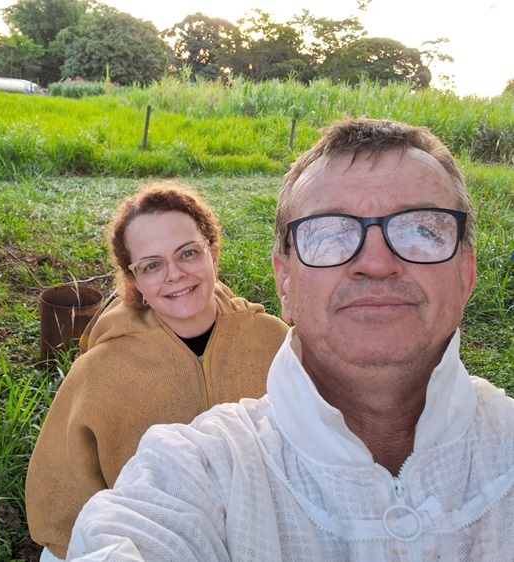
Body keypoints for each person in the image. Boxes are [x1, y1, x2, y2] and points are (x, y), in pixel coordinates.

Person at [66, 118, 514, 561]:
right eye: (329, 234)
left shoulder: (262, 336)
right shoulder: (199, 463)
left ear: (466, 274)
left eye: (421, 230)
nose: (376, 262)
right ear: (284, 282)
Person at [25, 181, 289, 560]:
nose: (175, 274)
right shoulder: (99, 371)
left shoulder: (273, 342)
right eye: (152, 265)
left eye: (187, 253)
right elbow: (60, 502)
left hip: (269, 537)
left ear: (212, 254)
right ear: (134, 280)